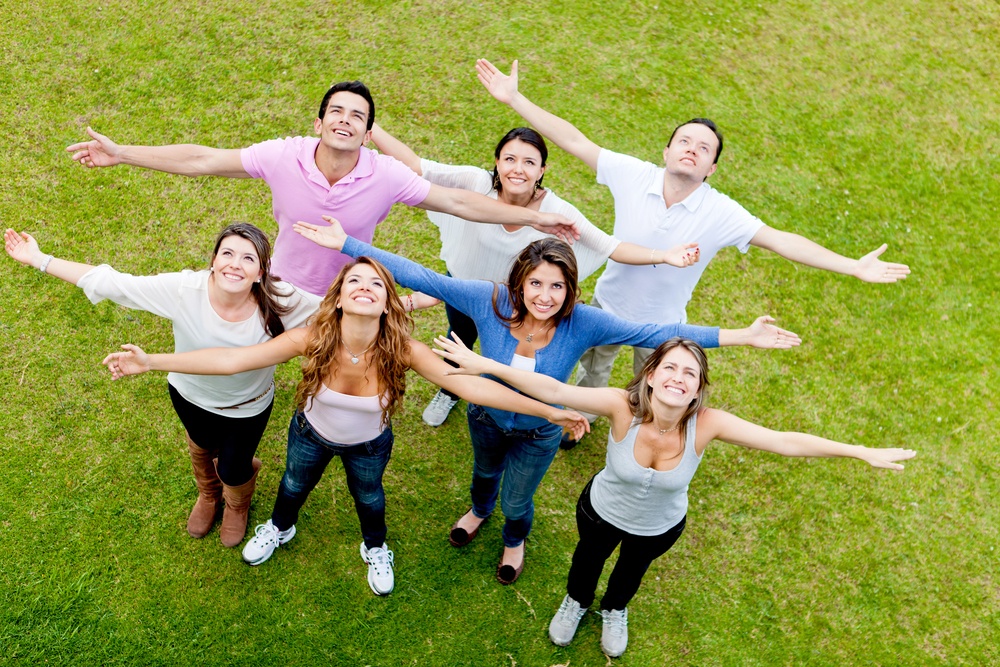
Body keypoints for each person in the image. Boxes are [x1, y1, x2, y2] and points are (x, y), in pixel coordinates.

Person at [293, 216, 801, 586]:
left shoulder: (584, 321)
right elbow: (424, 277)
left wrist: (739, 336)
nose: (545, 296)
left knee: (518, 497)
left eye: (557, 286)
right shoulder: (490, 300)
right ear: (519, 282)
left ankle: (514, 537)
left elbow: (657, 329)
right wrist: (349, 244)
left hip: (541, 430)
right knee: (484, 475)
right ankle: (477, 510)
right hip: (486, 417)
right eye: (536, 283)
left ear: (570, 289)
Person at [474, 58, 912, 447]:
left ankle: (633, 437)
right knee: (594, 371)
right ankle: (585, 417)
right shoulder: (633, 174)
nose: (692, 149)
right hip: (607, 308)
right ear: (667, 151)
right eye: (685, 141)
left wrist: (852, 266)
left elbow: (781, 240)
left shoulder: (722, 212)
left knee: (649, 390)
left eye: (704, 149)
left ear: (712, 168)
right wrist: (516, 100)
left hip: (663, 327)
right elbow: (572, 140)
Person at [101, 257, 590, 596]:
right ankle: (278, 527)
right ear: (337, 299)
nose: (364, 287)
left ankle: (376, 549)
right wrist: (153, 361)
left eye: (376, 284)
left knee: (370, 498)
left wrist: (549, 412)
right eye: (354, 281)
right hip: (310, 434)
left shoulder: (402, 348)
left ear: (386, 303)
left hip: (369, 445)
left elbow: (474, 388)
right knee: (293, 484)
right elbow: (234, 360)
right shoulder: (312, 337)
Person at [433, 334, 916, 658]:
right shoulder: (621, 407)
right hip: (601, 512)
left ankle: (614, 610)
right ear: (649, 375)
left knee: (630, 573)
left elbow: (784, 440)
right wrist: (487, 365)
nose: (678, 378)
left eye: (690, 374)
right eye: (670, 368)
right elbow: (552, 387)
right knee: (587, 560)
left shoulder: (707, 424)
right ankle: (575, 603)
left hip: (658, 527)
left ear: (697, 390)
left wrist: (858, 451)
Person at [66, 80, 580, 297]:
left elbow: (458, 201)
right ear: (319, 123)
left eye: (358, 116)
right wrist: (124, 153)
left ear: (367, 131)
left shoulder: (385, 173)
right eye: (336, 110)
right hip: (280, 283)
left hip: (347, 293)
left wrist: (535, 218)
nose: (346, 119)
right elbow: (203, 159)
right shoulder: (281, 154)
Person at [4, 223, 320, 547]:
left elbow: (337, 308)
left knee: (235, 467)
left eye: (247, 258)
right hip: (190, 396)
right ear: (213, 261)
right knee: (200, 445)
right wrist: (39, 259)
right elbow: (114, 283)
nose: (235, 264)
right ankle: (208, 495)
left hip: (247, 407)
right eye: (227, 253)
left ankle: (237, 505)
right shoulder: (185, 289)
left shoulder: (281, 299)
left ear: (261, 272)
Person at [369, 123, 700, 427]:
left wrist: (664, 256)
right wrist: (371, 127)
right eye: (510, 158)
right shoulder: (475, 182)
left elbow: (610, 246)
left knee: (502, 358)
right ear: (497, 162)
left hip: (513, 305)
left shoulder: (556, 212)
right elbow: (416, 166)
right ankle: (453, 391)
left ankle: (506, 405)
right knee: (460, 340)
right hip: (462, 288)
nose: (518, 169)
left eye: (529, 162)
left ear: (542, 170)